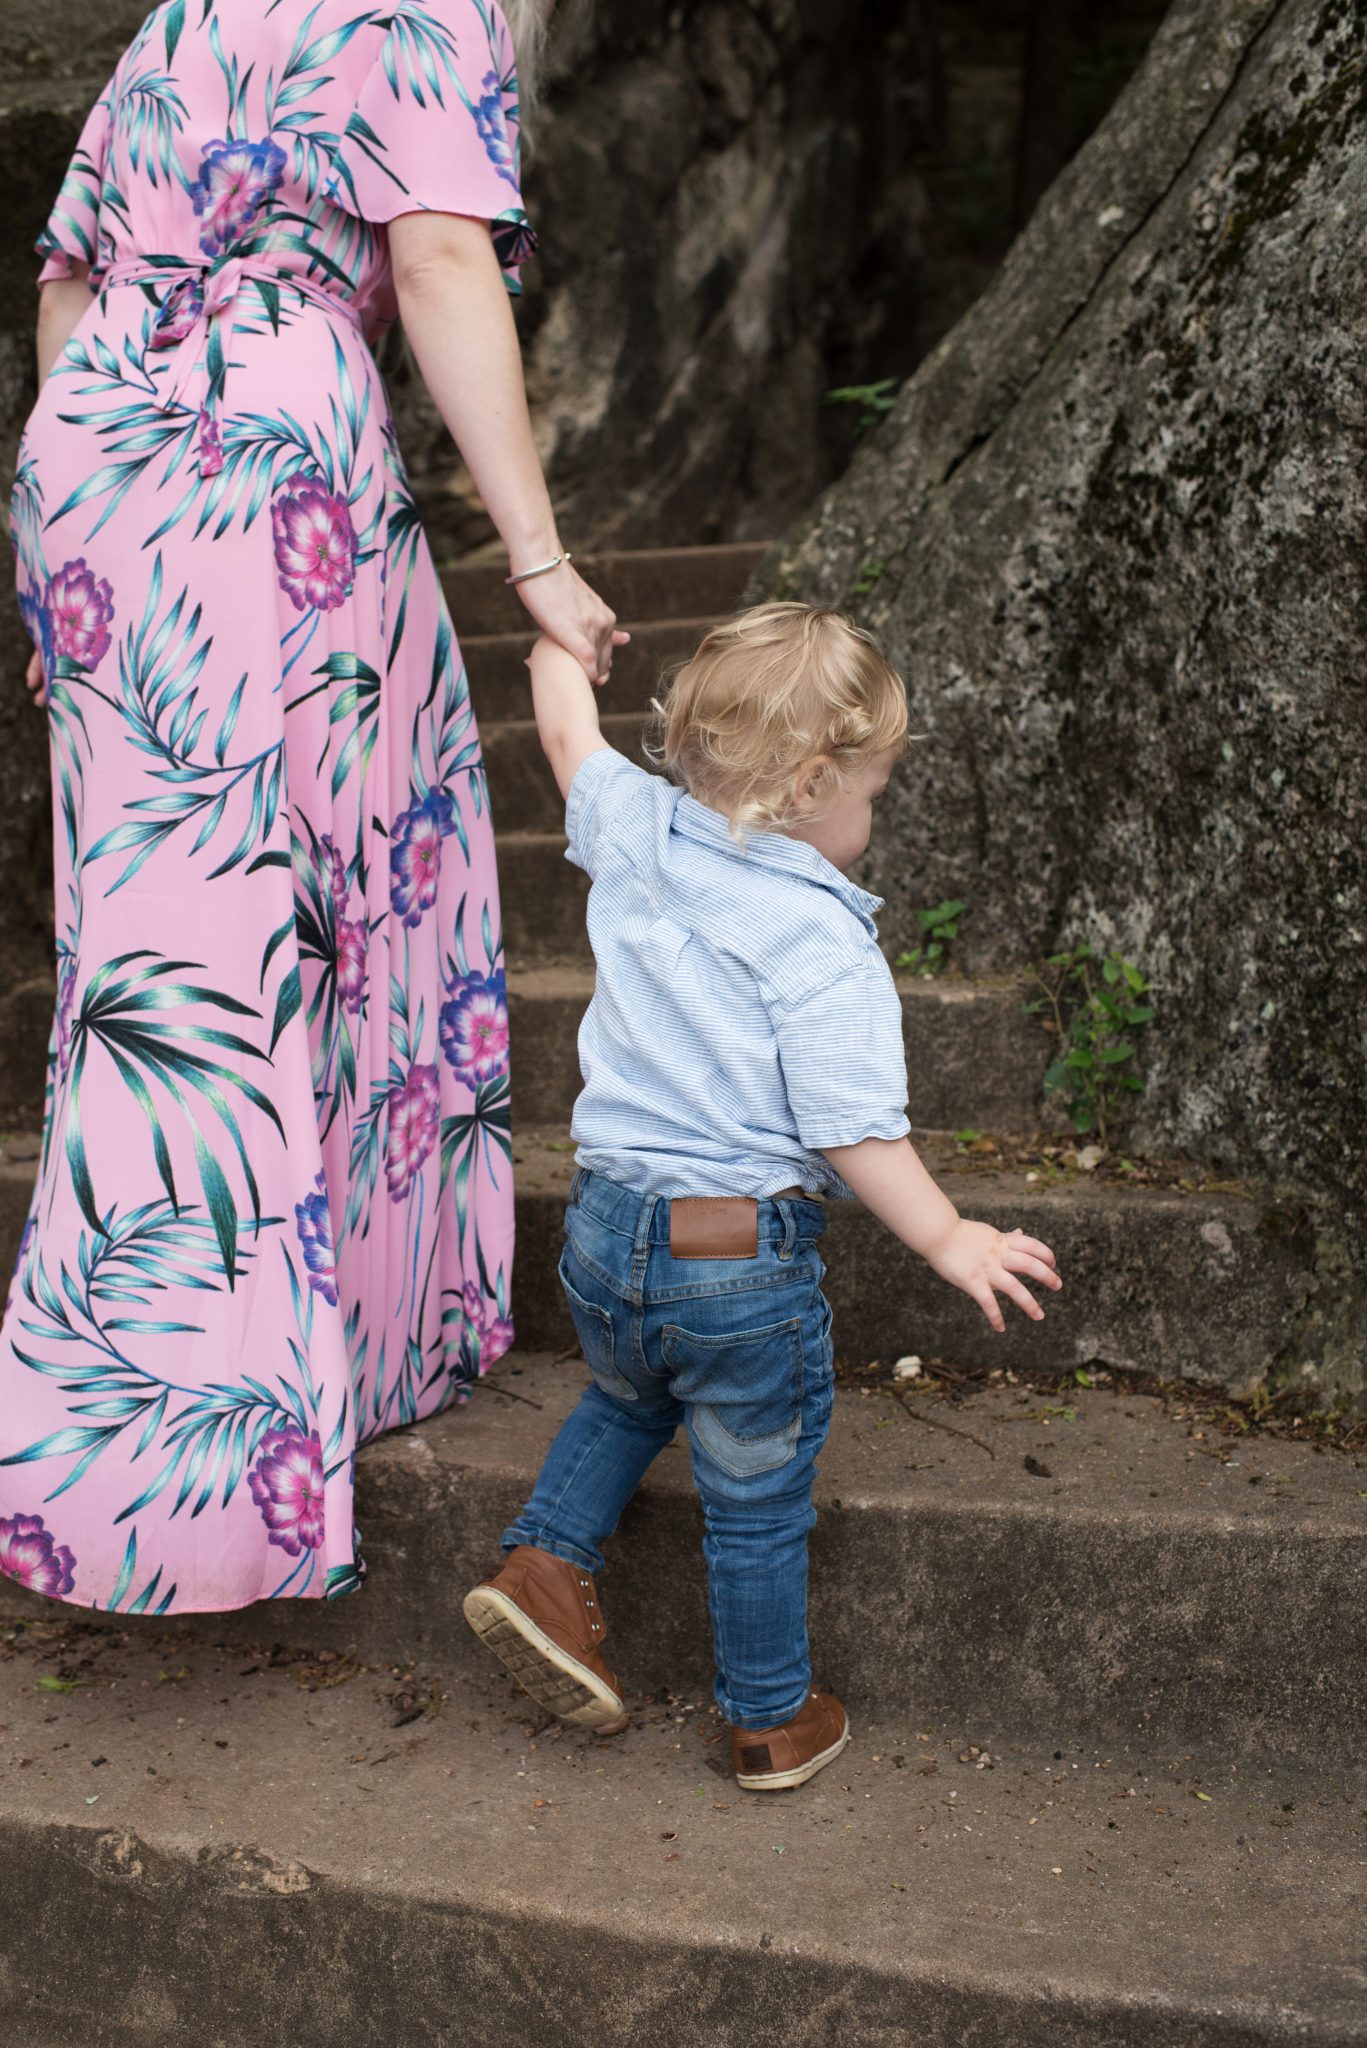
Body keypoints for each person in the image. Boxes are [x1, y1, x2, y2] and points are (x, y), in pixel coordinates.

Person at [0, 0, 622, 1618]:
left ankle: (134, 1417)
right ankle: (298, 1385)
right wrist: (538, 560)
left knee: (158, 952)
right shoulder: (415, 7)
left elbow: (65, 285)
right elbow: (439, 259)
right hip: (273, 438)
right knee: (342, 888)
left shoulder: (174, 23)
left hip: (97, 453)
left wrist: (68, 572)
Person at [463, 605, 1063, 1790]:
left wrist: (556, 646)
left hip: (604, 1230)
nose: (872, 815)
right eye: (872, 789)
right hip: (733, 1257)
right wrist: (948, 1234)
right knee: (753, 1493)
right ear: (811, 780)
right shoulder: (819, 937)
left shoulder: (635, 825)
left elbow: (568, 736)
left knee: (627, 1390)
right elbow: (851, 1128)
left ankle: (542, 1563)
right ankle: (770, 1716)